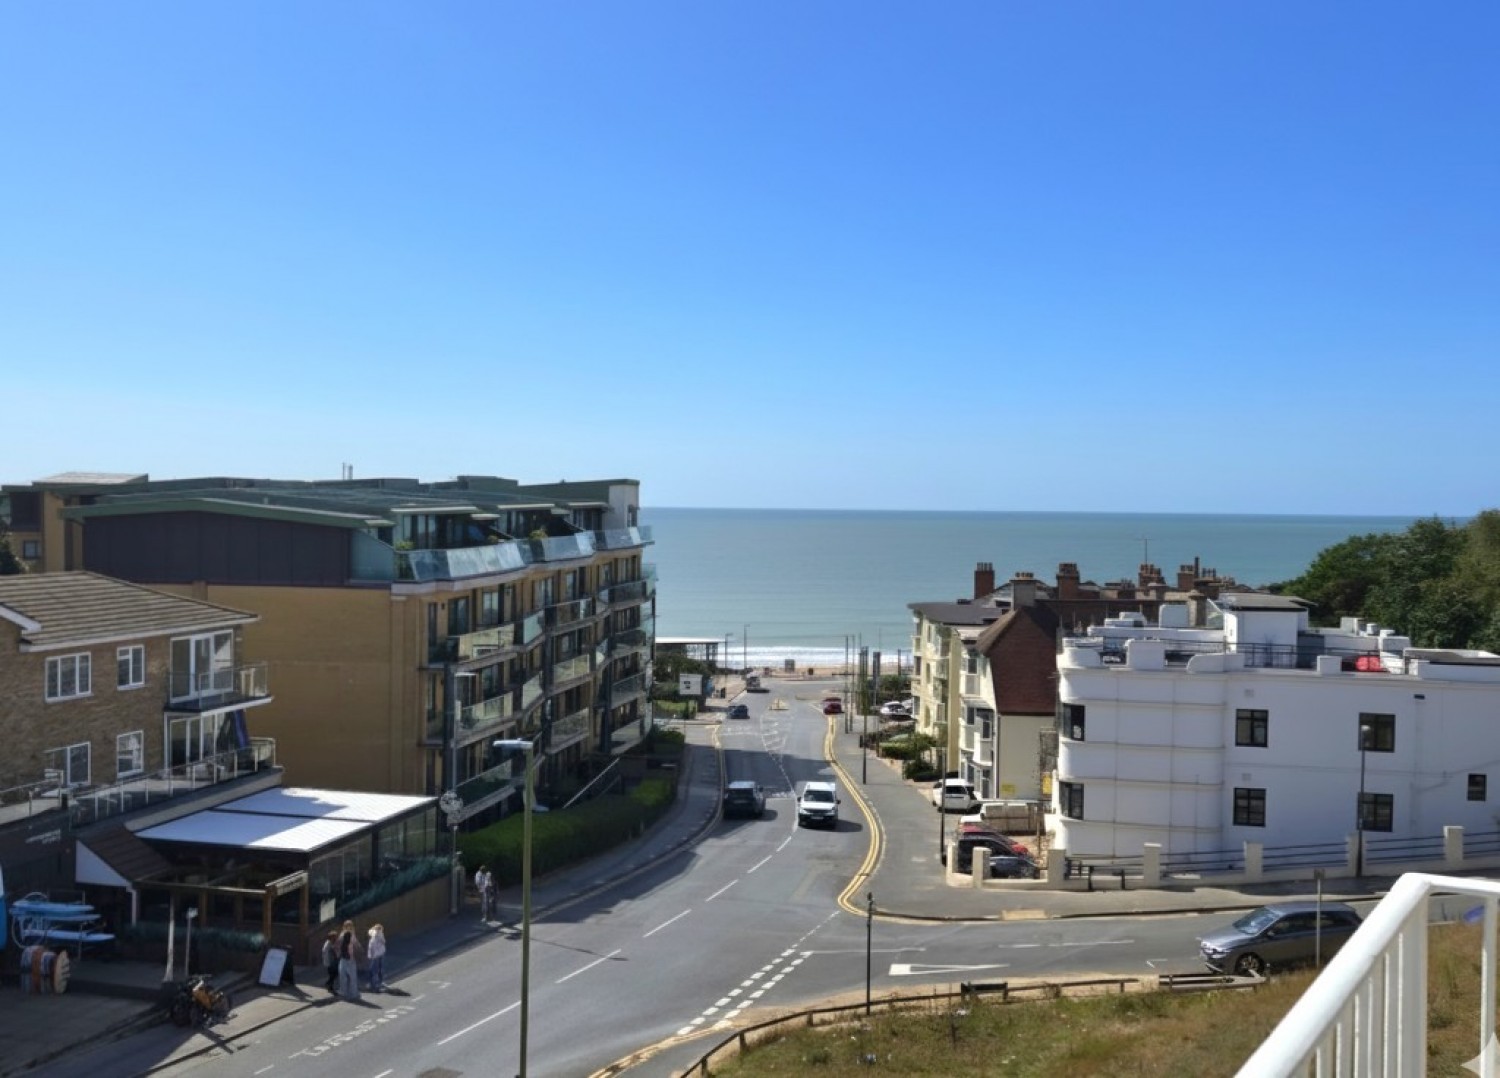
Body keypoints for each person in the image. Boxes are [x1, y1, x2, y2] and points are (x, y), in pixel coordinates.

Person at [336, 919, 362, 1000]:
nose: (349, 928)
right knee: (349, 976)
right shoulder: (349, 935)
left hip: (347, 958)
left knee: (345, 976)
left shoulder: (345, 935)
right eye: (348, 927)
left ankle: (347, 992)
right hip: (348, 958)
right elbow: (356, 944)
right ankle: (352, 993)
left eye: (350, 927)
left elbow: (338, 945)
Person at [366, 924, 387, 992]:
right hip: (378, 954)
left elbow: (373, 946)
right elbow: (382, 942)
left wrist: (371, 955)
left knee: (375, 970)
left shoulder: (378, 935)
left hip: (377, 955)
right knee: (377, 970)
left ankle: (375, 984)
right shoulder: (377, 935)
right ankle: (377, 984)